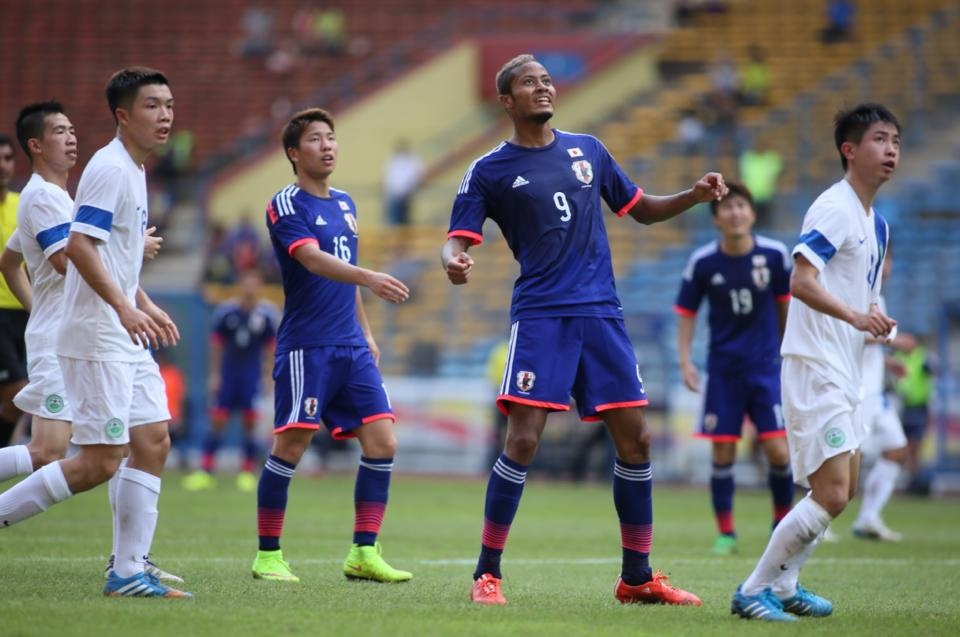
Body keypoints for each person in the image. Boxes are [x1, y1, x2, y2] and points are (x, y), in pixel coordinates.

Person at [442, 53, 727, 607]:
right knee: (523, 440)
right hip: (542, 315)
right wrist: (453, 260)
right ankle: (487, 574)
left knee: (636, 439)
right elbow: (456, 239)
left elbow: (641, 209)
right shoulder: (487, 170)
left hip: (601, 313)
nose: (543, 88)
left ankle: (637, 577)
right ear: (506, 101)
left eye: (547, 80)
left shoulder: (588, 150)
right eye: (530, 82)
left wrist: (691, 196)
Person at [0, 68, 191, 599]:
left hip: (121, 332)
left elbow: (107, 254)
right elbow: (78, 249)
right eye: (152, 105)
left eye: (169, 105)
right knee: (95, 462)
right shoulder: (108, 169)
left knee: (153, 439)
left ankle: (128, 570)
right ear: (123, 116)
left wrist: (141, 304)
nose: (165, 115)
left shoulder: (134, 169)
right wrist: (125, 308)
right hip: (97, 334)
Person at [731, 103, 900, 621]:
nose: (891, 149)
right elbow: (801, 282)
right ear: (850, 150)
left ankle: (786, 587)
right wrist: (854, 316)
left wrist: (877, 322)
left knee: (841, 491)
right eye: (879, 139)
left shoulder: (877, 225)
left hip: (845, 370)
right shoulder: (834, 207)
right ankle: (754, 589)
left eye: (895, 140)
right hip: (815, 364)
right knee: (831, 491)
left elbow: (862, 298)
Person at [251, 107, 412, 584]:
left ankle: (363, 552)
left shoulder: (345, 203)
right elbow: (313, 260)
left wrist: (366, 331)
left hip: (351, 345)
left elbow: (346, 277)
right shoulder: (285, 203)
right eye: (315, 139)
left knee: (382, 441)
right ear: (293, 153)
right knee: (292, 445)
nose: (327, 146)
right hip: (309, 346)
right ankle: (267, 556)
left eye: (331, 137)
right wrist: (370, 276)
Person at [674, 181, 794, 556]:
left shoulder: (775, 256)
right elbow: (686, 312)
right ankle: (726, 533)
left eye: (741, 206)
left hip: (766, 368)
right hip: (724, 371)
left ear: (753, 214)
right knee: (723, 452)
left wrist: (790, 355)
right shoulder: (703, 262)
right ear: (716, 218)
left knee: (779, 452)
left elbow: (785, 305)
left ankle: (781, 527)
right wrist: (685, 361)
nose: (735, 212)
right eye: (727, 207)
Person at [184, 268, 278, 492]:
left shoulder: (266, 315)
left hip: (251, 376)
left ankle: (246, 471)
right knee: (218, 420)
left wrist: (268, 375)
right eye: (246, 282)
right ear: (240, 285)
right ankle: (206, 471)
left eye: (254, 282)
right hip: (228, 374)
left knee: (250, 422)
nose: (250, 287)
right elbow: (217, 345)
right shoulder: (227, 312)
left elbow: (270, 347)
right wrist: (215, 375)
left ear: (259, 285)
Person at [852, 249, 911, 541]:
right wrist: (894, 341)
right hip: (857, 392)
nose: (885, 266)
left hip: (876, 393)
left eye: (889, 260)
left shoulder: (878, 298)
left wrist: (888, 362)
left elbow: (867, 343)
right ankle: (815, 520)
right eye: (881, 259)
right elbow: (848, 335)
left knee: (897, 450)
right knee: (847, 461)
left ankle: (868, 517)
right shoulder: (855, 294)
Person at [0, 133, 28, 448]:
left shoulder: (23, 206)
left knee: (19, 398)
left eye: (8, 158)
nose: (3, 166)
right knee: (18, 393)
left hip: (24, 312)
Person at [894, 335, 935, 494]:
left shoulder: (923, 357)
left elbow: (932, 372)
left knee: (915, 445)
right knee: (905, 446)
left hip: (919, 407)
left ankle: (916, 479)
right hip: (902, 406)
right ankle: (913, 478)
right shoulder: (898, 357)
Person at [383, 139, 423, 226]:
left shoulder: (412, 160)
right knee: (394, 221)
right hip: (394, 195)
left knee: (404, 222)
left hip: (406, 196)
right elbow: (389, 177)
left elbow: (417, 176)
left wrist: (409, 189)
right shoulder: (394, 159)